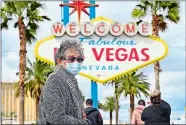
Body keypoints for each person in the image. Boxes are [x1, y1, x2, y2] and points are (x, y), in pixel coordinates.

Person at [37, 40, 91, 124]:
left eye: (79, 59)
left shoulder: (70, 81)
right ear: (59, 61)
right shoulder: (55, 80)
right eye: (71, 59)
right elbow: (56, 117)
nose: (76, 62)